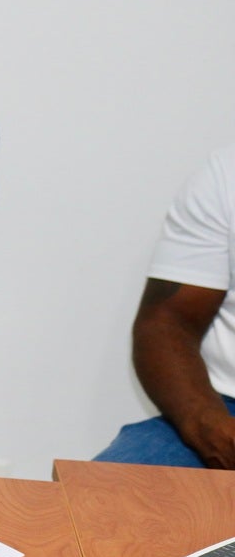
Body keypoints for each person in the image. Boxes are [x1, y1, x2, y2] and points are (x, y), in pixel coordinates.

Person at [94, 144, 235, 470]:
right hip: (226, 409)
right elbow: (167, 322)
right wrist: (211, 428)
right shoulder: (226, 174)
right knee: (100, 499)